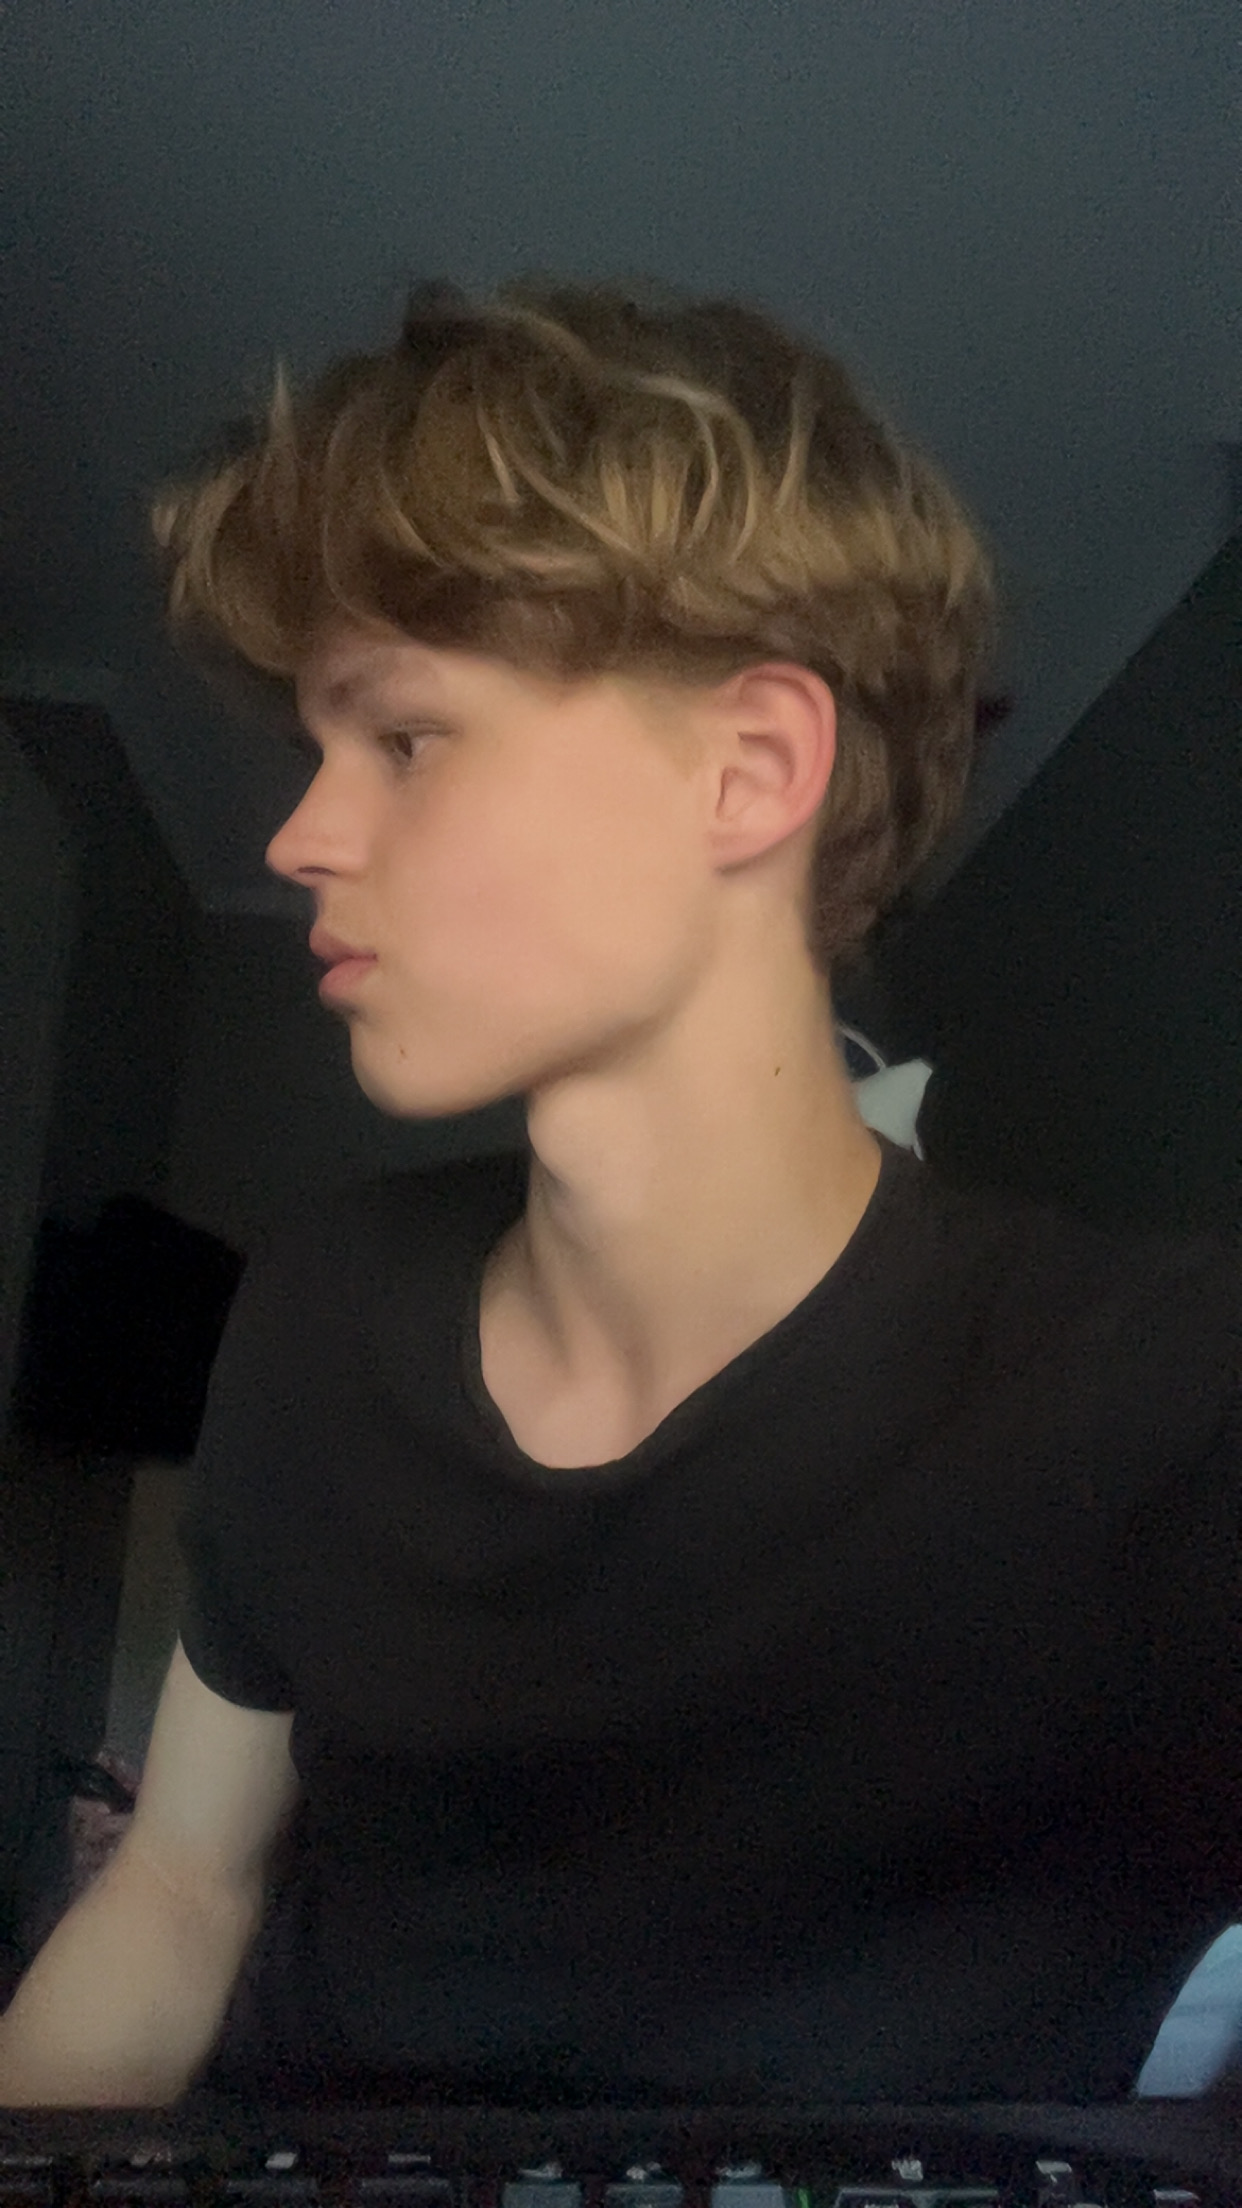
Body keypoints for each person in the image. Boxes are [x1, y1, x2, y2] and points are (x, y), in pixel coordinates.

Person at [1, 278, 1238, 2111]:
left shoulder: (1167, 1403)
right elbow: (181, 1886)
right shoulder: (323, 1302)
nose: (298, 836)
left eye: (402, 739)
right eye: (315, 753)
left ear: (749, 772)